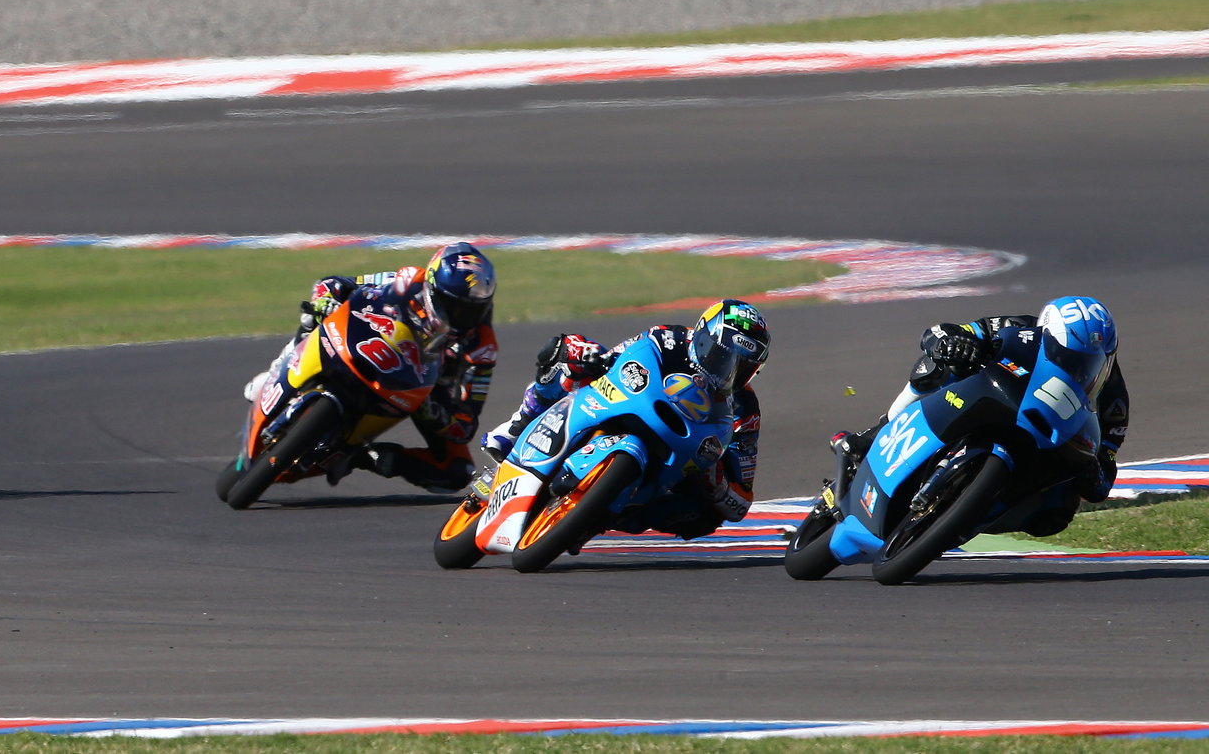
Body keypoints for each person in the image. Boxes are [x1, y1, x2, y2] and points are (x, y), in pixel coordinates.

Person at [829, 295, 1127, 537]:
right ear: (1045, 334)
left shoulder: (1114, 399)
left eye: (1092, 362)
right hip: (984, 398)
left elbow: (1107, 462)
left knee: (1056, 512)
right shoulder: (1017, 327)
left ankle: (963, 520)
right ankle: (875, 434)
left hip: (1040, 443)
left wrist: (1095, 474)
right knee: (940, 365)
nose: (1081, 368)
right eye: (1069, 356)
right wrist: (952, 343)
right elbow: (939, 332)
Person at [480, 299, 770, 540]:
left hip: (677, 462)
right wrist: (587, 356)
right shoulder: (666, 338)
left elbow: (740, 503)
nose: (729, 371)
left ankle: (597, 516)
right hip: (627, 405)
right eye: (723, 357)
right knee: (566, 357)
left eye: (742, 366)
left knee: (707, 517)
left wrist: (715, 481)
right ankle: (517, 429)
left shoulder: (745, 410)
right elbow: (615, 358)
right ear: (703, 339)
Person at [244, 242, 499, 493]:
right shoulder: (405, 280)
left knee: (457, 471)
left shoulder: (482, 348)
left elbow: (466, 423)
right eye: (451, 304)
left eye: (471, 309)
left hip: (422, 390)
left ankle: (361, 456)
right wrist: (326, 300)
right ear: (431, 287)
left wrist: (434, 413)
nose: (460, 315)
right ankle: (278, 370)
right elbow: (335, 284)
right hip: (373, 343)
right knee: (312, 317)